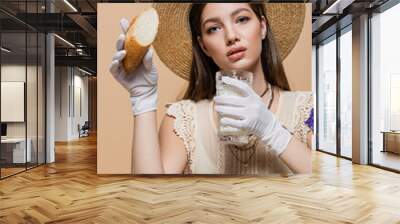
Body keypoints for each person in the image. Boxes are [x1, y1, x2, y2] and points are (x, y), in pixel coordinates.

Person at [109, 3, 313, 175]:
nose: (231, 36)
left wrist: (272, 130)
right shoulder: (183, 120)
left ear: (262, 27)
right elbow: (148, 202)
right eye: (213, 28)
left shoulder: (307, 108)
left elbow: (334, 187)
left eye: (241, 19)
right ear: (204, 45)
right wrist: (143, 100)